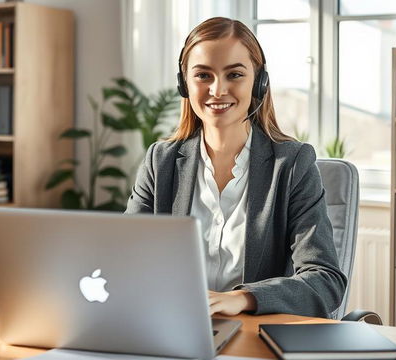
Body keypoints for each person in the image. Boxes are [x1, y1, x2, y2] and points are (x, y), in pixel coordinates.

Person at [126, 17, 347, 318]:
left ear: (259, 82)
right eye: (203, 75)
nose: (217, 90)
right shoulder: (160, 162)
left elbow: (325, 280)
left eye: (234, 75)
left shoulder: (292, 164)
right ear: (184, 84)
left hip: (255, 336)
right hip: (172, 326)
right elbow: (127, 260)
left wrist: (244, 298)